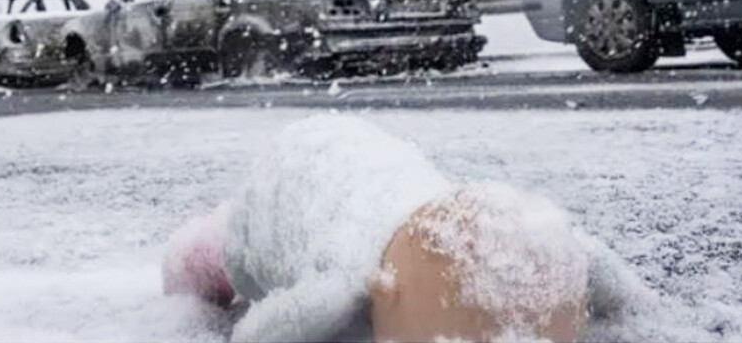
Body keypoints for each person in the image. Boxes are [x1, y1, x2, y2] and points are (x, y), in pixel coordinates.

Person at [161, 114, 598, 342]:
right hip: (274, 193)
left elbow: (579, 258)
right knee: (215, 260)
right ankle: (186, 257)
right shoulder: (338, 291)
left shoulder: (529, 249)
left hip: (353, 155)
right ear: (386, 289)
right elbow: (256, 333)